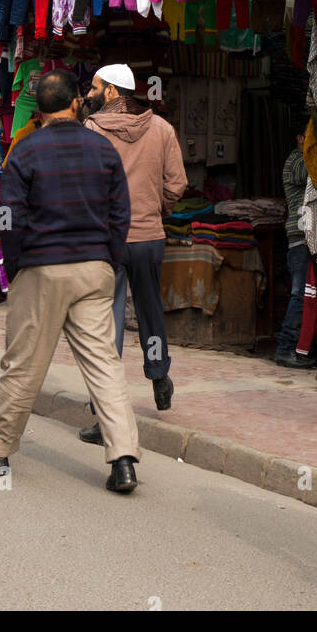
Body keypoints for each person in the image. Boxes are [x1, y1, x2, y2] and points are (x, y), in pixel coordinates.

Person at [0, 69, 141, 493]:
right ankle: (124, 459)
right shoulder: (103, 149)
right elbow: (121, 214)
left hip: (41, 268)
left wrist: (16, 263)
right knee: (104, 365)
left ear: (37, 110)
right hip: (94, 268)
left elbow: (7, 216)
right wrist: (109, 258)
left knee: (22, 363)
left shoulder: (24, 151)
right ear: (77, 102)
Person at [78, 63, 187, 439]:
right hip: (149, 238)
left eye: (95, 87)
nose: (89, 93)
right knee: (150, 310)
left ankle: (104, 411)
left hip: (108, 239)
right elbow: (177, 184)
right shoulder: (161, 128)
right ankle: (159, 378)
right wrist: (158, 209)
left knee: (106, 322)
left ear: (112, 92)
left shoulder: (92, 131)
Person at [276, 125, 312, 368]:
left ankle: (299, 348)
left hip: (306, 234)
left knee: (306, 294)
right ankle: (285, 348)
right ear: (300, 138)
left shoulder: (301, 158)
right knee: (299, 294)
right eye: (308, 136)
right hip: (299, 235)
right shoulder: (296, 160)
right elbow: (311, 173)